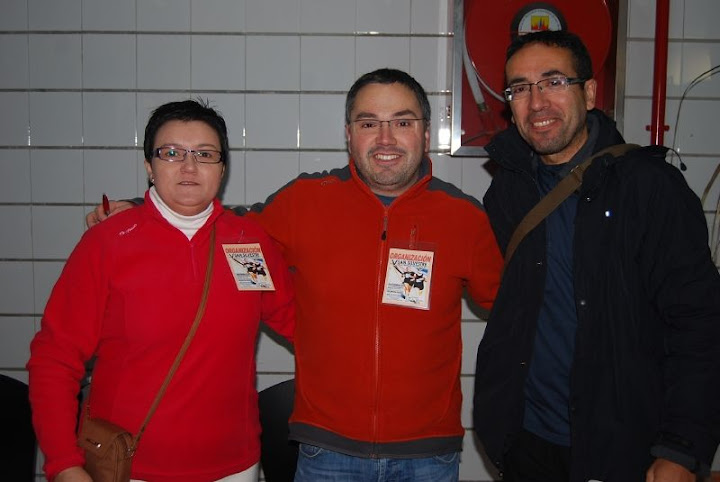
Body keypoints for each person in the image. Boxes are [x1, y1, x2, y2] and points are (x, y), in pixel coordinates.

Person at [88, 69, 504, 482]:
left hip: (427, 455)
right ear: (349, 134)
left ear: (425, 133)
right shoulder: (306, 201)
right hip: (326, 452)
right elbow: (226, 227)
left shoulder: (464, 218)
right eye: (368, 124)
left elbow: (510, 310)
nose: (385, 139)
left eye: (402, 122)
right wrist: (142, 208)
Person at [472, 30, 720, 482]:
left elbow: (699, 323)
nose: (537, 102)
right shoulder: (509, 191)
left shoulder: (650, 189)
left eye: (554, 82)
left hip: (623, 445)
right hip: (527, 441)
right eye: (520, 88)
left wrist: (683, 449)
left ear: (588, 93)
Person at [28, 100, 295, 482]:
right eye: (171, 153)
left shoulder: (246, 242)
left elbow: (297, 323)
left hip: (234, 466)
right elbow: (55, 358)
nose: (189, 166)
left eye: (205, 154)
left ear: (222, 168)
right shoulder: (109, 243)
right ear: (149, 166)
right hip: (131, 465)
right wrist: (63, 463)